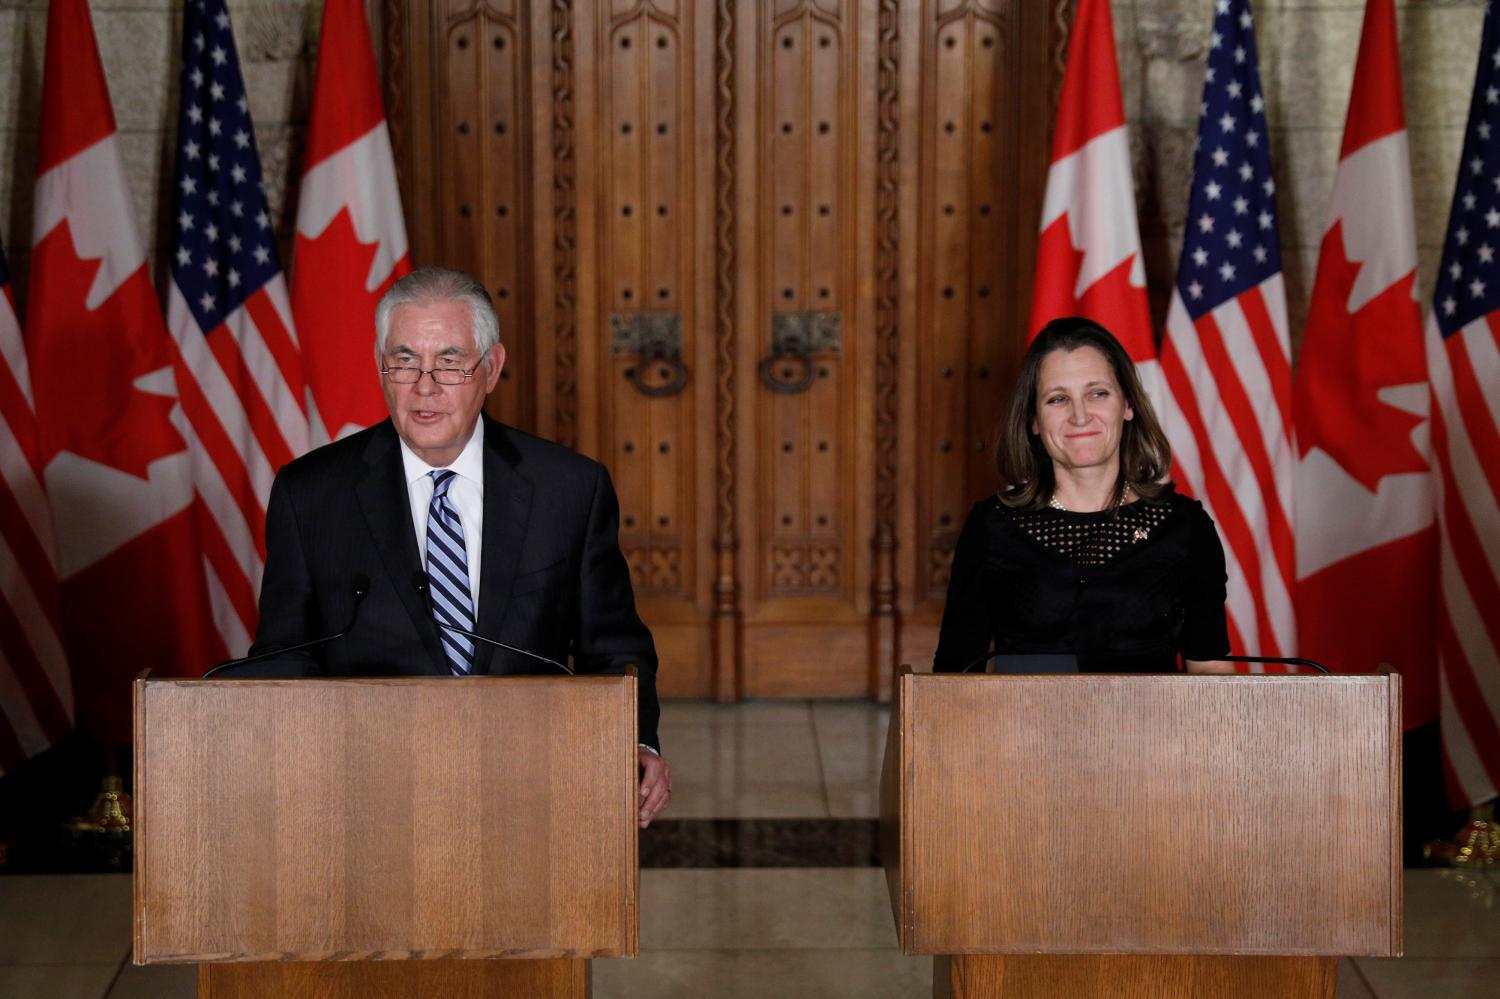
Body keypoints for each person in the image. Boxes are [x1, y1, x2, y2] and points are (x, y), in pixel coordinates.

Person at [251, 266, 670, 826]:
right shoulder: (311, 494)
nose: (425, 386)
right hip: (366, 791)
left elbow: (614, 647)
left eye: (449, 362)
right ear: (381, 366)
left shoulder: (568, 488)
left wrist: (638, 741)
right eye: (404, 361)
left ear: (491, 368)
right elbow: (283, 656)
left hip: (534, 782)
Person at [934, 317, 1230, 675]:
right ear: (1033, 422)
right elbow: (952, 683)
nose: (1079, 415)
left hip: (1153, 730)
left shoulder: (1186, 527)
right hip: (1025, 729)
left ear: (1128, 405)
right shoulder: (991, 527)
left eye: (1097, 393)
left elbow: (1213, 683)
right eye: (1058, 399)